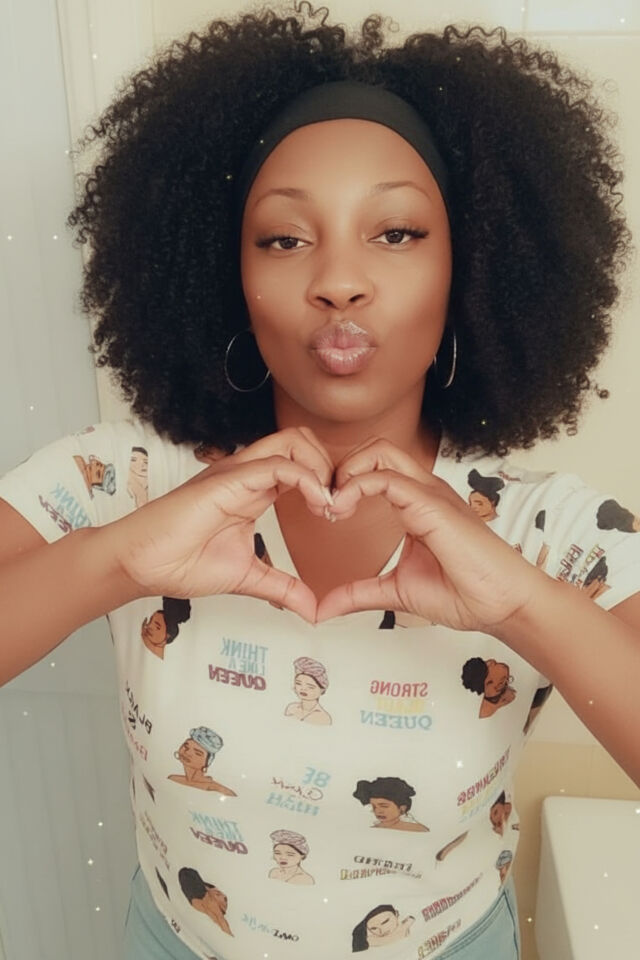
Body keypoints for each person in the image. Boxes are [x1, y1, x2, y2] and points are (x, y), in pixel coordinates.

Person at [1, 4, 639, 959]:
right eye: (285, 239)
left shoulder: (554, 530)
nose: (339, 280)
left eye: (396, 232)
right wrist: (118, 563)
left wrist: (523, 605)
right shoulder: (123, 480)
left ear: (472, 269)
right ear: (226, 276)